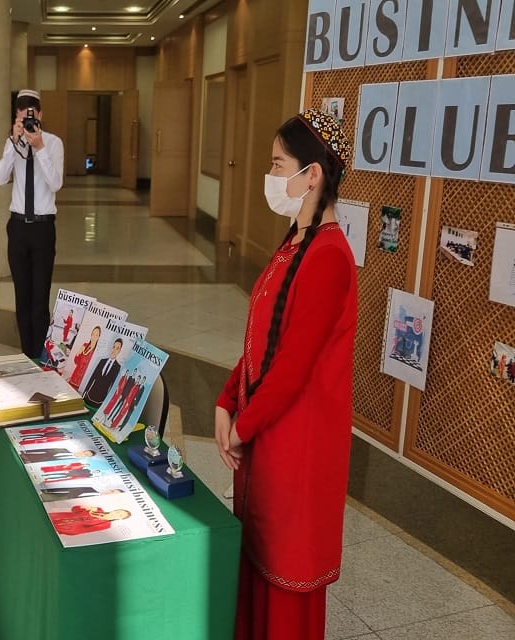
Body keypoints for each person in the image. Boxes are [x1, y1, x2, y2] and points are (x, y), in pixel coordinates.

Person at [214, 108, 357, 640]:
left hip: (296, 448)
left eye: (279, 165)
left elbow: (293, 368)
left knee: (286, 585)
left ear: (312, 174)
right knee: (256, 568)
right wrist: (228, 401)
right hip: (266, 435)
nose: (272, 178)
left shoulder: (328, 257)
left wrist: (242, 428)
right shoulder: (293, 244)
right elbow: (261, 345)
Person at [0, 89, 64, 359]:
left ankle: (40, 357)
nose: (29, 124)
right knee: (22, 298)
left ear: (41, 115)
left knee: (40, 299)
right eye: (23, 119)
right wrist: (14, 142)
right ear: (17, 118)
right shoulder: (13, 143)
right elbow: (0, 178)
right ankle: (27, 356)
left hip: (44, 229)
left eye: (32, 117)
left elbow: (55, 183)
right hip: (19, 228)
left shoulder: (54, 143)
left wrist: (39, 148)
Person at [82, 338, 123, 405]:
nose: (114, 350)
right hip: (89, 396)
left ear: (119, 351)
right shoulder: (102, 361)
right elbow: (92, 377)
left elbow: (113, 386)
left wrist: (108, 402)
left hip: (101, 401)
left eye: (117, 348)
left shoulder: (118, 367)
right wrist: (85, 392)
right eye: (113, 347)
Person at [49, 505, 130, 536]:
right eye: (118, 511)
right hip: (61, 516)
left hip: (66, 527)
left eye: (120, 515)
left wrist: (67, 529)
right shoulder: (98, 509)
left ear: (120, 518)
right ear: (115, 509)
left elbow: (84, 530)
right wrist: (85, 508)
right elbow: (74, 509)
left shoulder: (106, 525)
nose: (117, 513)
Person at [68, 325, 101, 389]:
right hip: (74, 378)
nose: (94, 337)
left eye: (96, 335)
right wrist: (78, 353)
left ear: (99, 337)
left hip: (83, 383)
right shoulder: (85, 345)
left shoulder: (97, 352)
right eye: (93, 334)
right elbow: (76, 361)